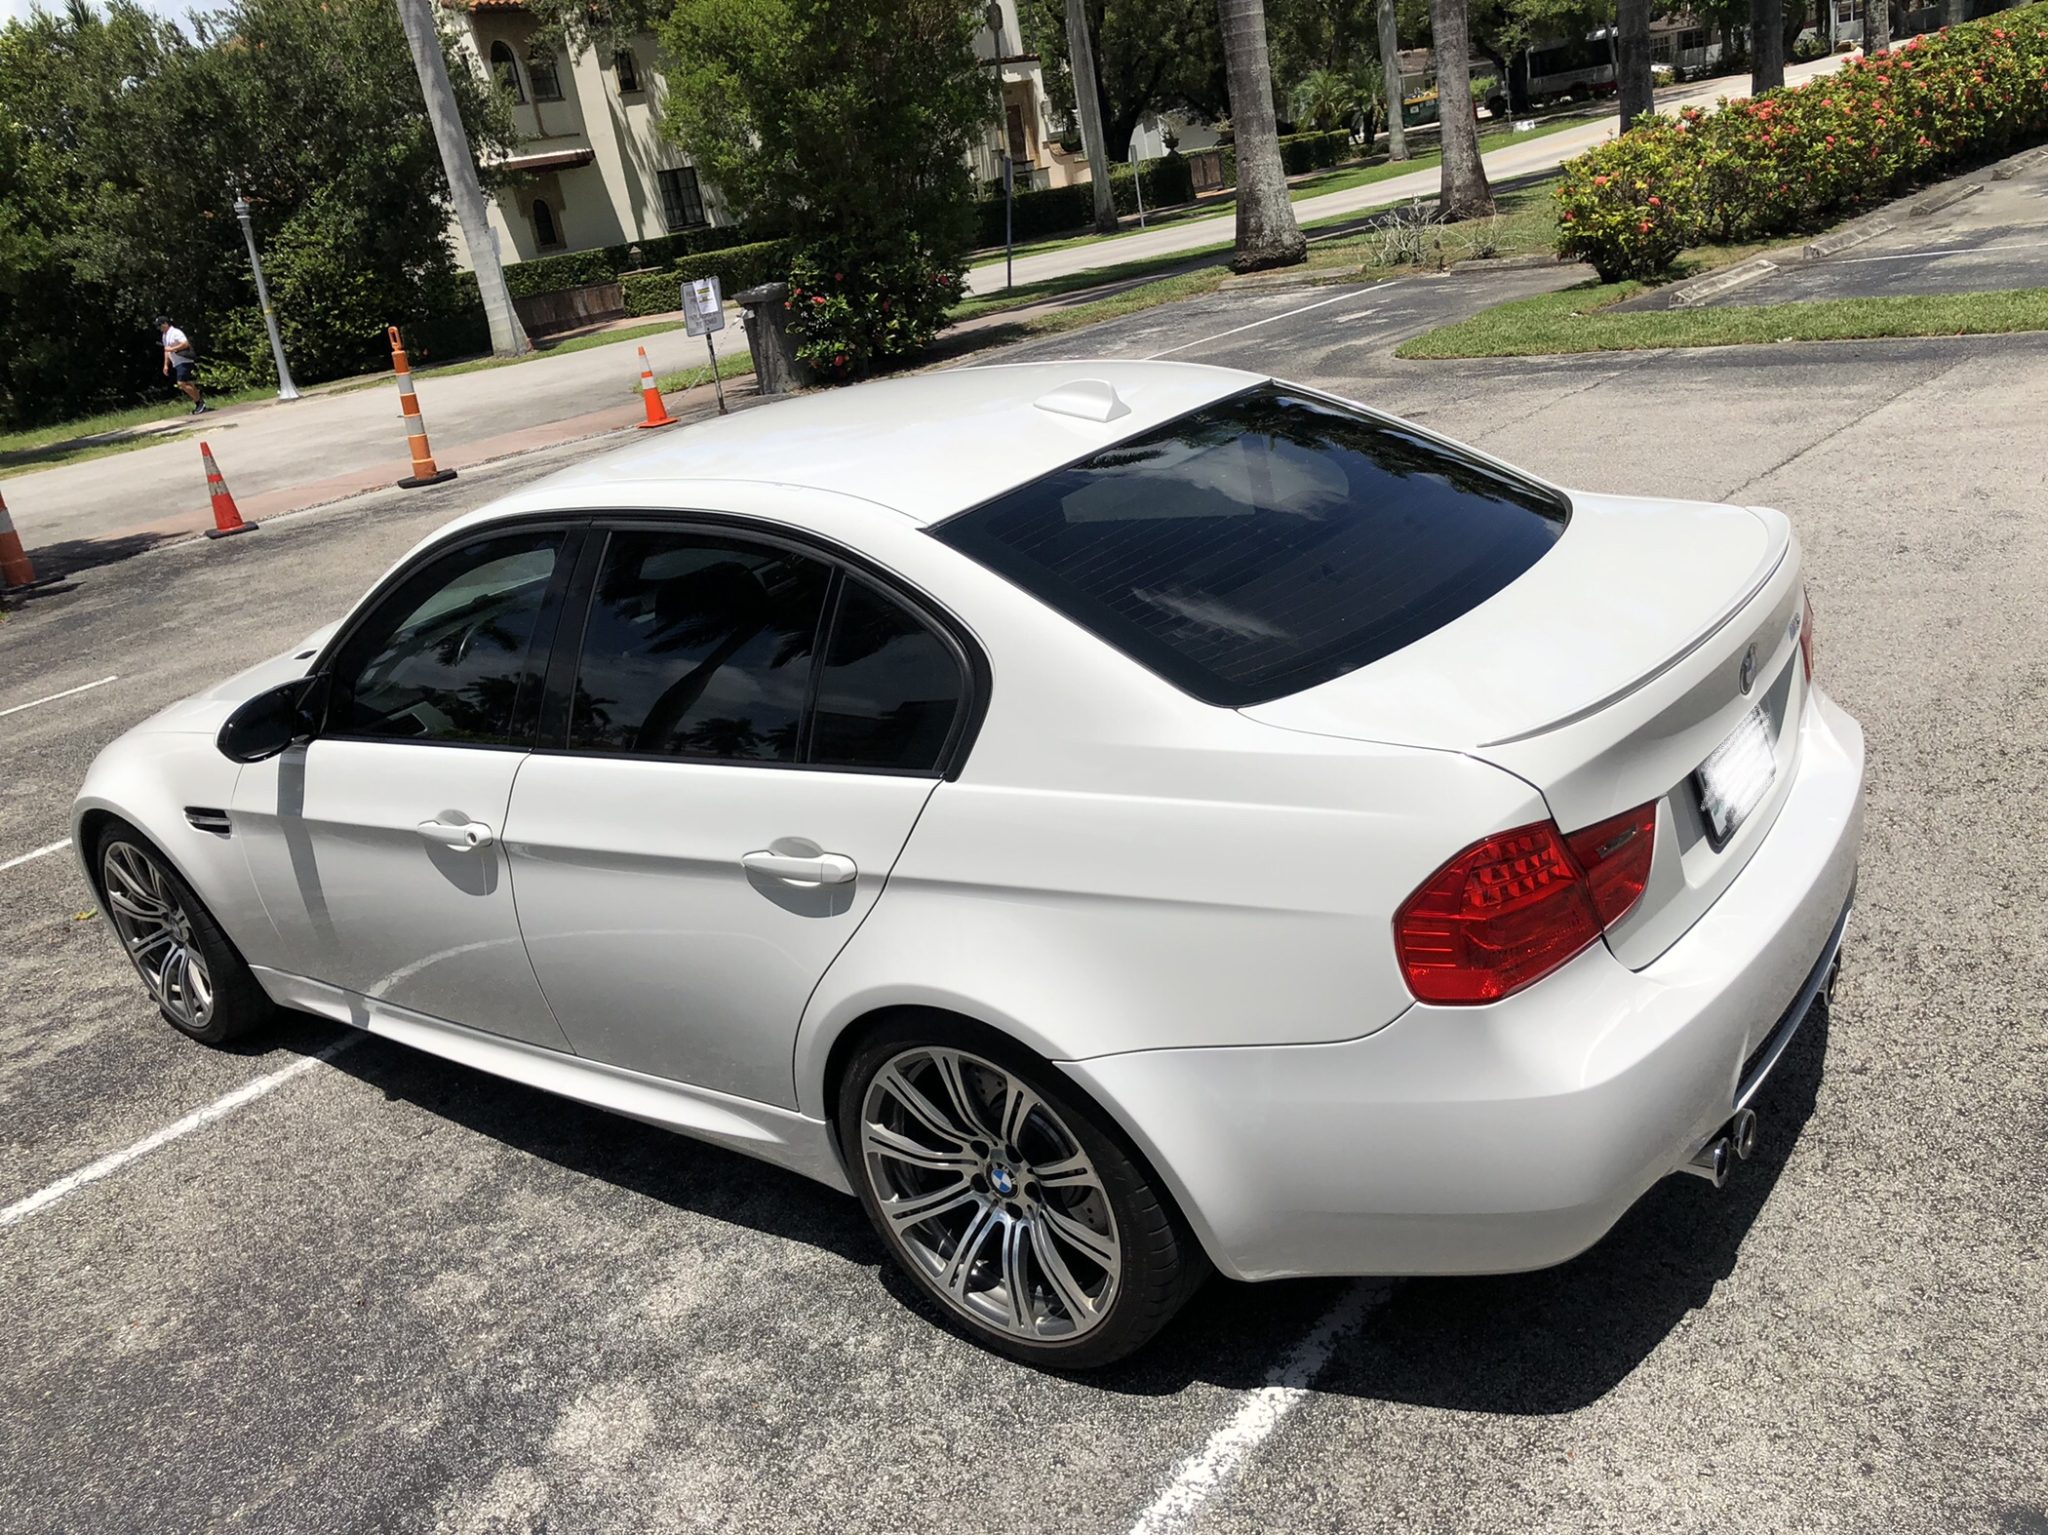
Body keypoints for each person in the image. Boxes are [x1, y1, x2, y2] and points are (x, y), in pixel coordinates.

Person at [157, 316, 209, 414]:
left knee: (181, 383)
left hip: (184, 360)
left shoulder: (176, 332)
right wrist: (166, 365)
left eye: (160, 325)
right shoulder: (164, 336)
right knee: (189, 383)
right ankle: (199, 401)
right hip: (176, 362)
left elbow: (185, 344)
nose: (159, 328)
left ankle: (200, 403)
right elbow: (166, 351)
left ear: (165, 323)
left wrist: (173, 349)